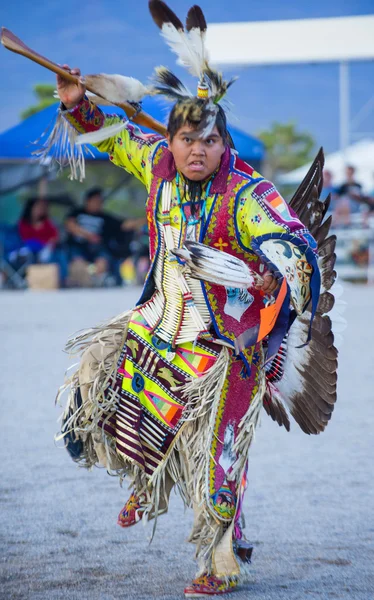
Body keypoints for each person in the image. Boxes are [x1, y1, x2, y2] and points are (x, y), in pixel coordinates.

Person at [54, 2, 338, 596]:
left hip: (226, 345)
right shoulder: (158, 166)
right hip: (158, 328)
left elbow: (293, 243)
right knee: (98, 385)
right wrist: (77, 104)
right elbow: (109, 138)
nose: (196, 152)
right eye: (187, 141)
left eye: (208, 141)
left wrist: (271, 273)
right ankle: (142, 475)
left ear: (222, 141)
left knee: (217, 456)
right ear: (174, 140)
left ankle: (222, 561)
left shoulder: (246, 192)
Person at [65, 187, 145, 286]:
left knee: (103, 262)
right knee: (78, 264)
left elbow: (125, 225)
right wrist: (88, 236)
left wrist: (146, 219)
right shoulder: (77, 212)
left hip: (98, 248)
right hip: (78, 247)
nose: (98, 203)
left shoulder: (105, 217)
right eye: (96, 200)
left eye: (100, 201)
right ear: (88, 201)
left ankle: (98, 280)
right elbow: (70, 226)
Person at [18, 197, 68, 285]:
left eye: (42, 208)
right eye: (37, 208)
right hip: (30, 249)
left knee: (58, 254)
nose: (40, 210)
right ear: (31, 209)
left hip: (47, 249)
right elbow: (24, 237)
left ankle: (61, 280)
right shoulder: (24, 222)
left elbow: (55, 236)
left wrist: (50, 242)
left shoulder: (47, 222)